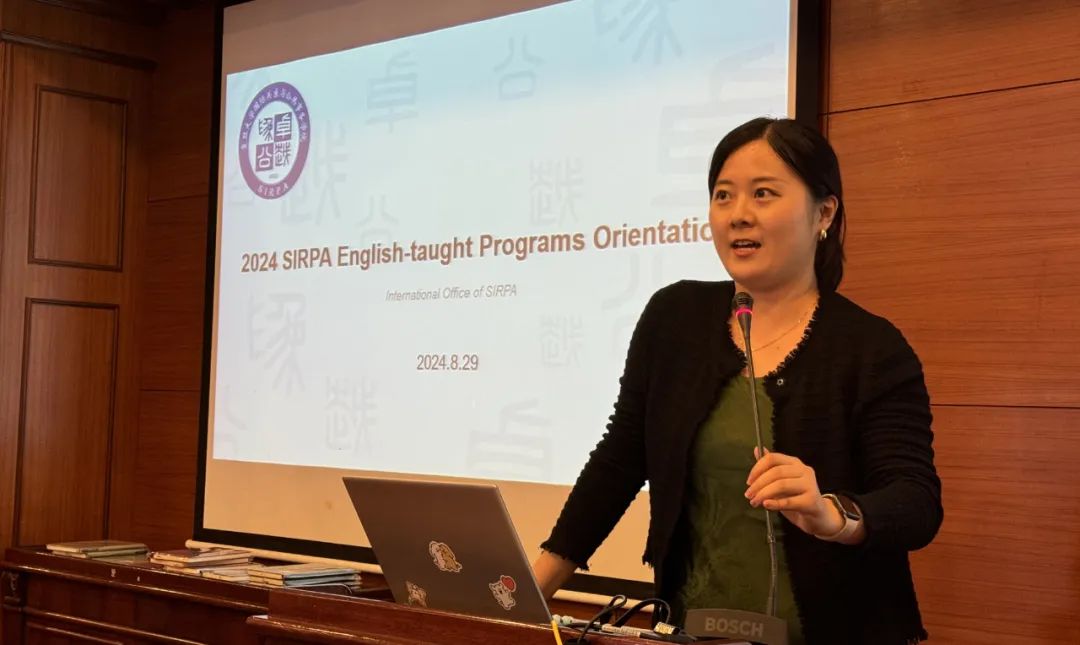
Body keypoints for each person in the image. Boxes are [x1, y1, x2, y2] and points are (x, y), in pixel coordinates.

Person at [532, 117, 942, 645]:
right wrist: (526, 593)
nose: (738, 214)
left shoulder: (871, 347)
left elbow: (915, 502)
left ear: (824, 212)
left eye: (763, 193)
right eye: (723, 195)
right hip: (691, 630)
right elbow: (619, 461)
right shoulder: (674, 317)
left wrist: (833, 514)